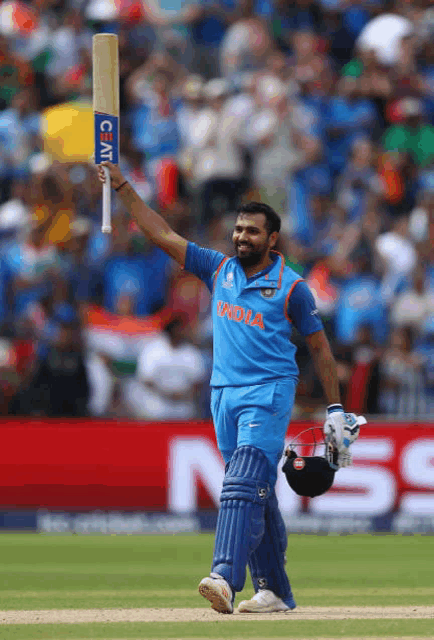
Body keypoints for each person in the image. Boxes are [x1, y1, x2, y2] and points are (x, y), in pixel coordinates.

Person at [97, 160, 363, 614]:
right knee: (255, 491)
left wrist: (336, 408)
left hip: (270, 391)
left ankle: (223, 576)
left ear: (272, 239)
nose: (242, 237)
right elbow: (161, 234)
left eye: (253, 232)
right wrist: (121, 185)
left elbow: (319, 349)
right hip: (223, 395)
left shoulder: (292, 287)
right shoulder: (218, 269)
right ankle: (275, 591)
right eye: (239, 229)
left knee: (240, 484)